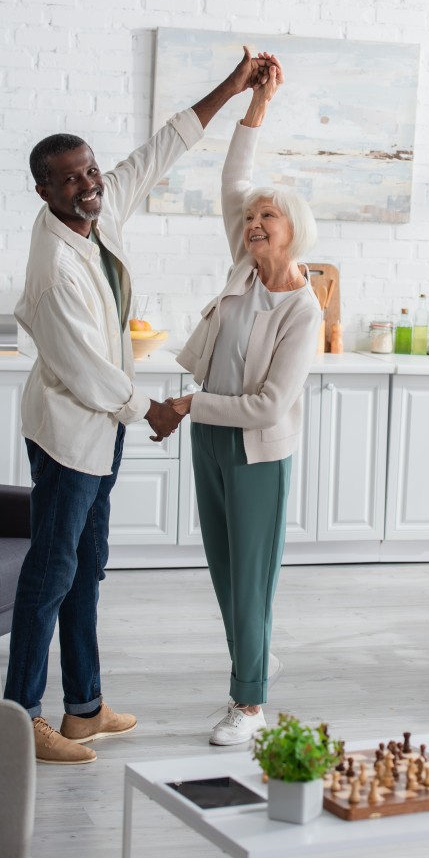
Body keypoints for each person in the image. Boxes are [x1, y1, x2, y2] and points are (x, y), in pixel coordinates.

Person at [6, 48, 267, 765]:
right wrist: (148, 409)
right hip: (70, 433)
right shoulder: (54, 266)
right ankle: (19, 717)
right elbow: (86, 369)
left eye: (91, 169)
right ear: (44, 192)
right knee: (52, 572)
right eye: (72, 178)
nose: (90, 183)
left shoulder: (97, 210)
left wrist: (233, 86)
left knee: (88, 566)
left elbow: (163, 149)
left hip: (100, 431)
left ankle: (83, 706)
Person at [170, 51, 321, 747]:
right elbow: (232, 174)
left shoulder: (303, 309)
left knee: (251, 578)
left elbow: (265, 406)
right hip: (208, 439)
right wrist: (256, 104)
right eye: (252, 215)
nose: (253, 221)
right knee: (226, 572)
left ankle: (249, 703)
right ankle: (256, 656)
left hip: (255, 450)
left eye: (267, 216)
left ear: (291, 230)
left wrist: (191, 406)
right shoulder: (244, 263)